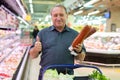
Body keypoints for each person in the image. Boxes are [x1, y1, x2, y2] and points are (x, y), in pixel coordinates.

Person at [29, 4, 86, 80]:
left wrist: (79, 51)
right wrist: (36, 49)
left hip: (67, 76)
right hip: (46, 75)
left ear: (66, 16)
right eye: (55, 15)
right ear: (51, 17)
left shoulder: (75, 35)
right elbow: (32, 55)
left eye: (61, 15)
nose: (58, 18)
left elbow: (81, 58)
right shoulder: (43, 33)